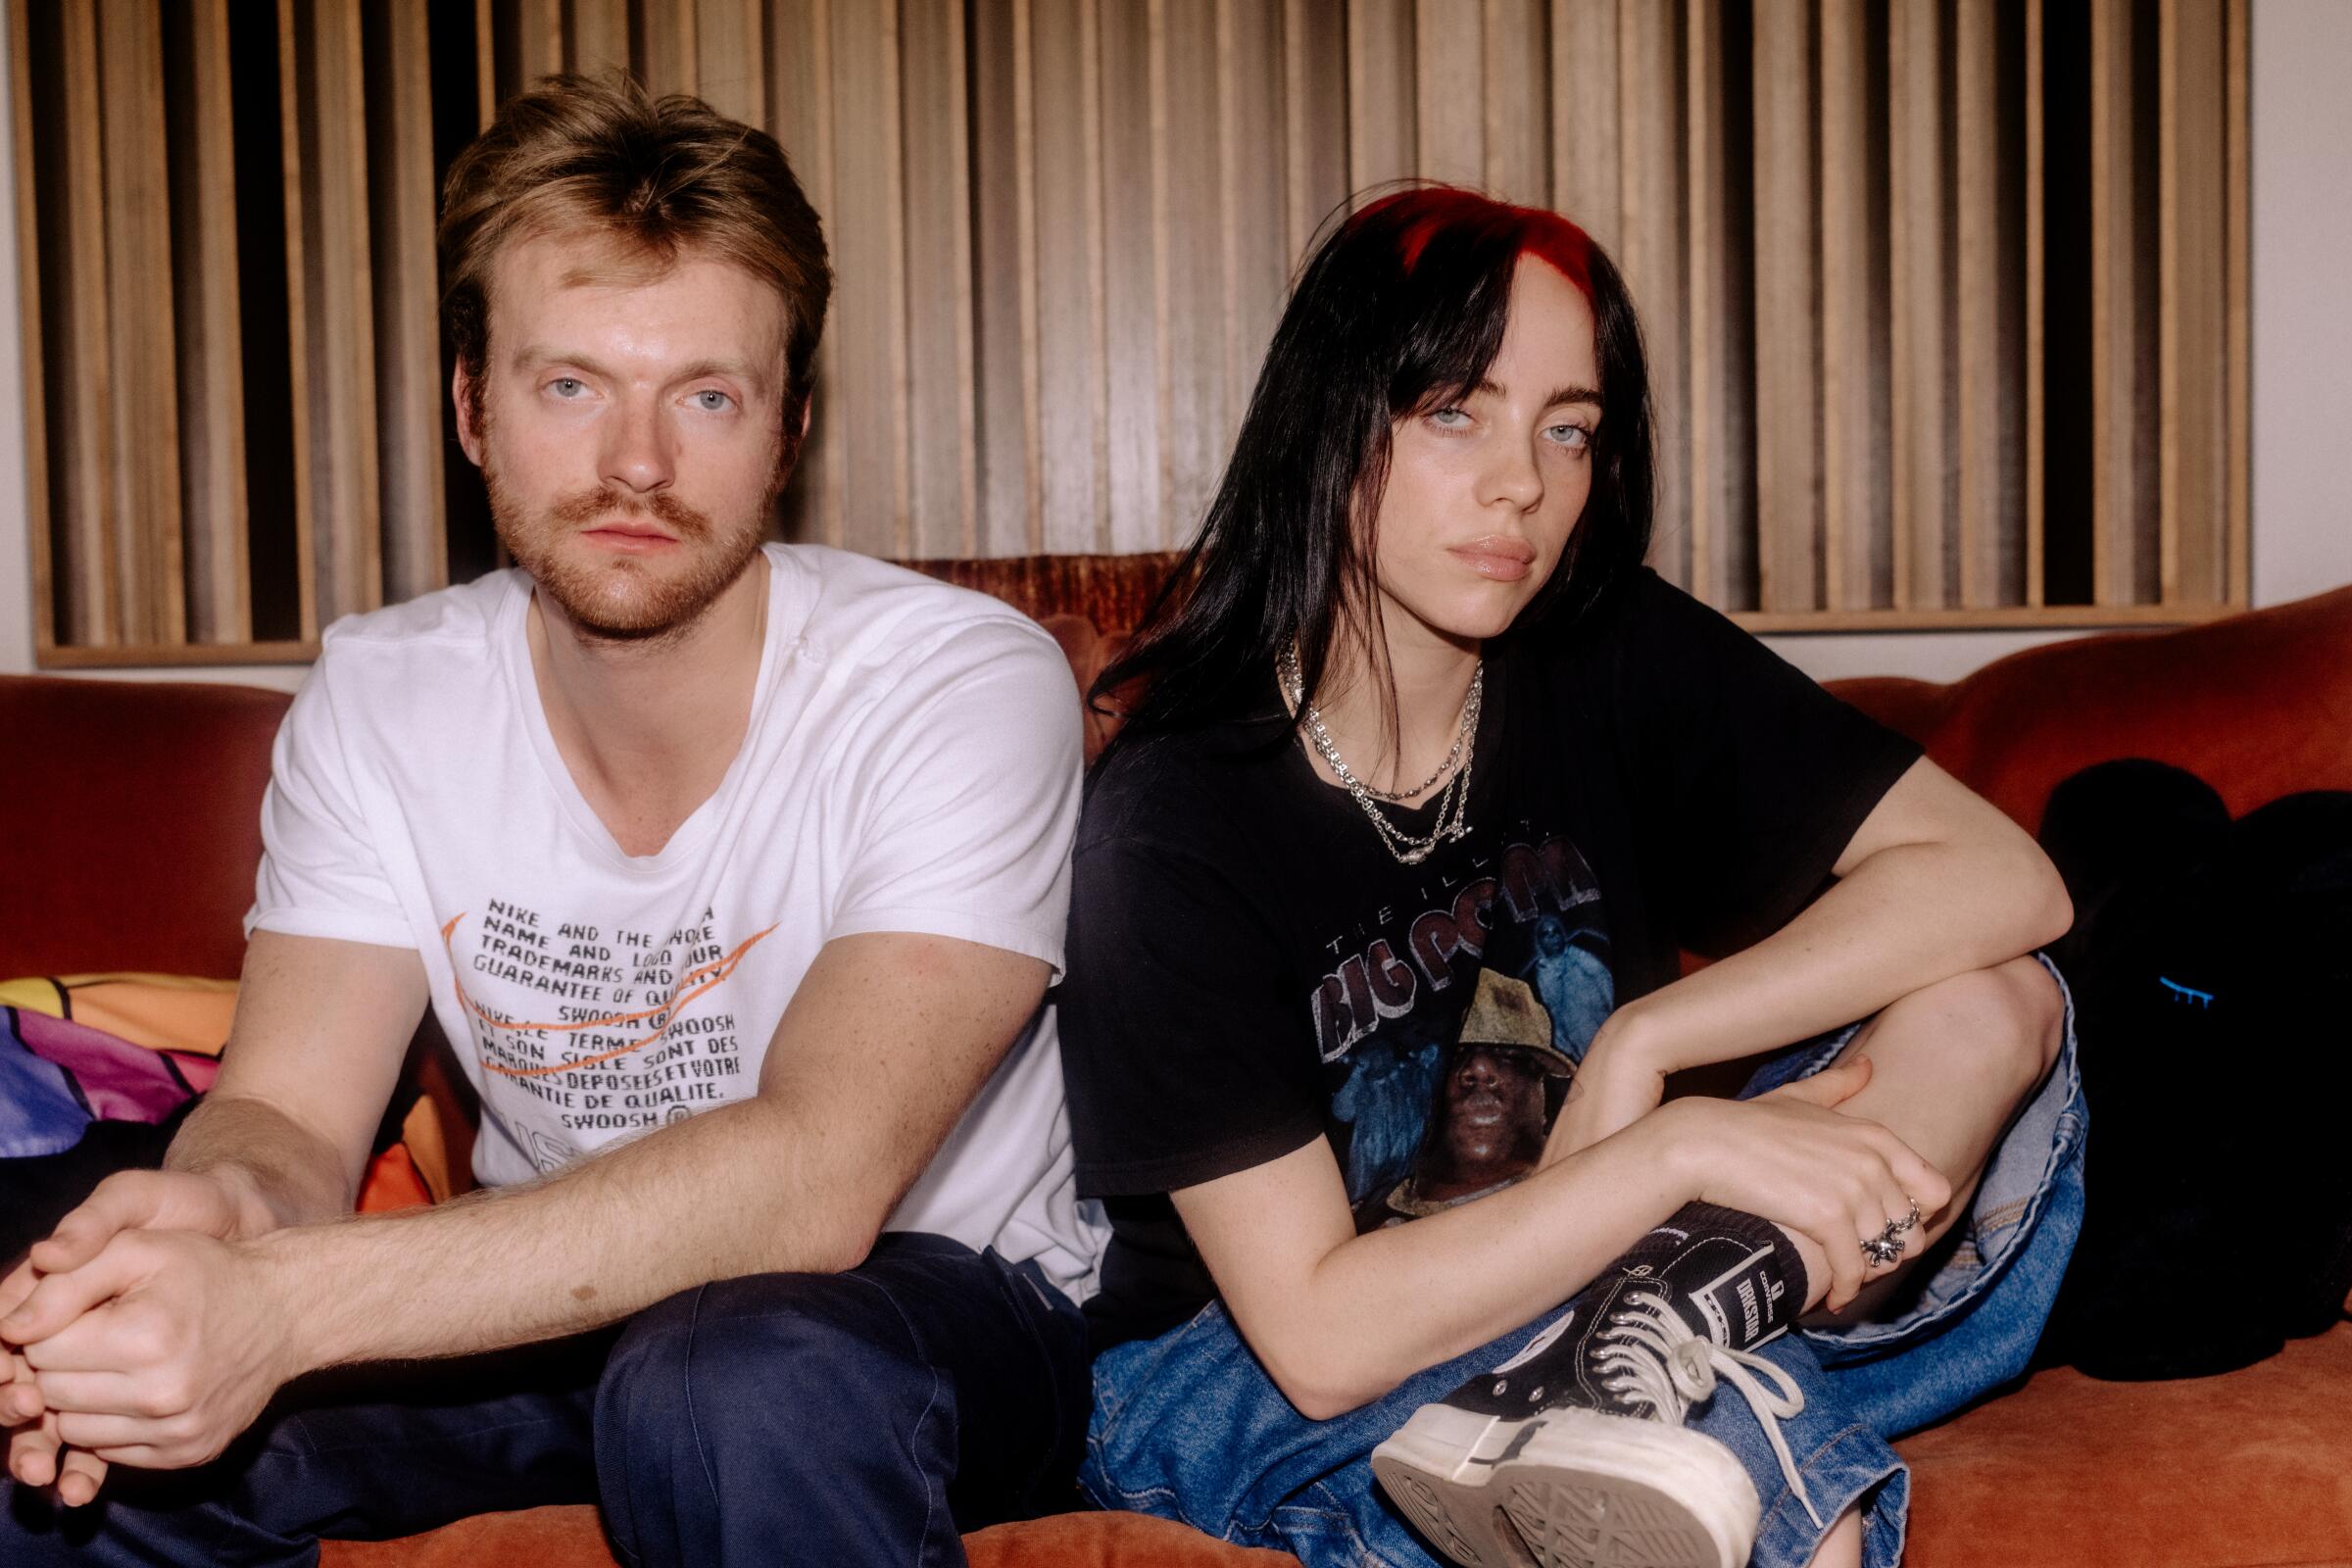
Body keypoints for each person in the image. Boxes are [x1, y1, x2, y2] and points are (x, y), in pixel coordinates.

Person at [0, 74, 1100, 1568]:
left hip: (921, 1315)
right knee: (80, 1430)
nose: (636, 463)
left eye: (706, 394)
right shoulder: (386, 696)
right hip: (542, 1312)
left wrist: (290, 1307)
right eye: (569, 385)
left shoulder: (960, 681)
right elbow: (287, 1116)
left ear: (788, 430)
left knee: (732, 1381)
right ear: (472, 406)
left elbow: (816, 1174)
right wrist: (213, 1231)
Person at [1057, 186, 2083, 1568]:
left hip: (1610, 1266)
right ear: (1331, 420)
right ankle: (1671, 1382)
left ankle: (1663, 1344)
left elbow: (2003, 880)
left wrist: (1653, 1047)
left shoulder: (1605, 648)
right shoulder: (1176, 817)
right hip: (1252, 1370)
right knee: (1761, 1506)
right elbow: (1316, 1336)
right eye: (1455, 413)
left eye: (1569, 430)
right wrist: (1681, 1148)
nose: (1525, 485)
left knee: (2001, 1005)